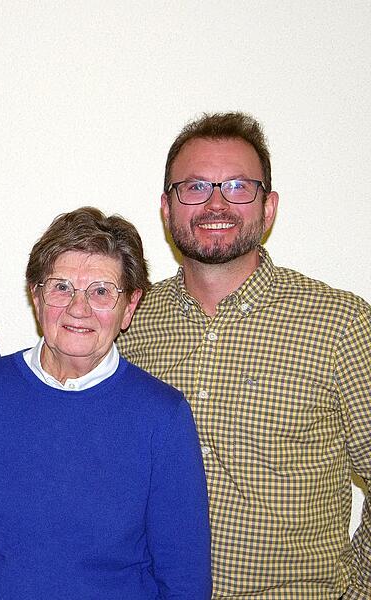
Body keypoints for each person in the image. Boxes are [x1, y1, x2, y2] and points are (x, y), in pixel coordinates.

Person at [118, 112, 371, 599]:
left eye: (237, 186)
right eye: (194, 187)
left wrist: (356, 589)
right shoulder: (131, 323)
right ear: (166, 208)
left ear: (268, 207)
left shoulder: (340, 324)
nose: (216, 203)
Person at [0, 207, 212, 599]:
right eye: (62, 287)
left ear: (129, 307)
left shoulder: (162, 417)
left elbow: (184, 577)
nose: (78, 308)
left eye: (102, 291)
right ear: (37, 297)